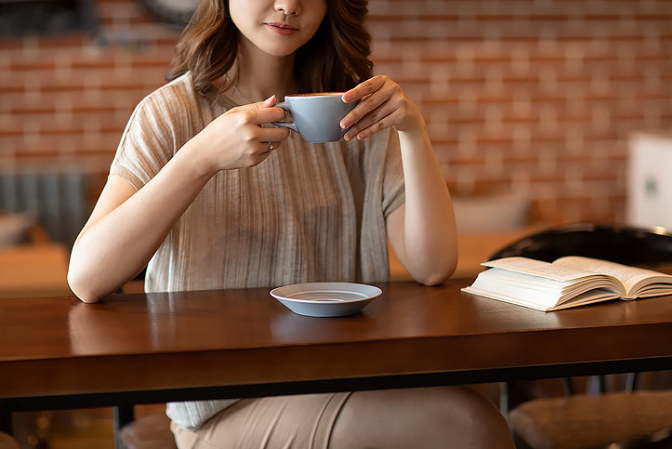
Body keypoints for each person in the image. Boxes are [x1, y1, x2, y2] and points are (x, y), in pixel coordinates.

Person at [67, 0, 515, 447]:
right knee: (467, 423)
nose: (288, 5)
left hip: (347, 377)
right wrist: (199, 159)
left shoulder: (351, 114)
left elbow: (432, 265)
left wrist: (413, 132)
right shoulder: (169, 114)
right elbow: (88, 278)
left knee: (475, 406)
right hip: (223, 408)